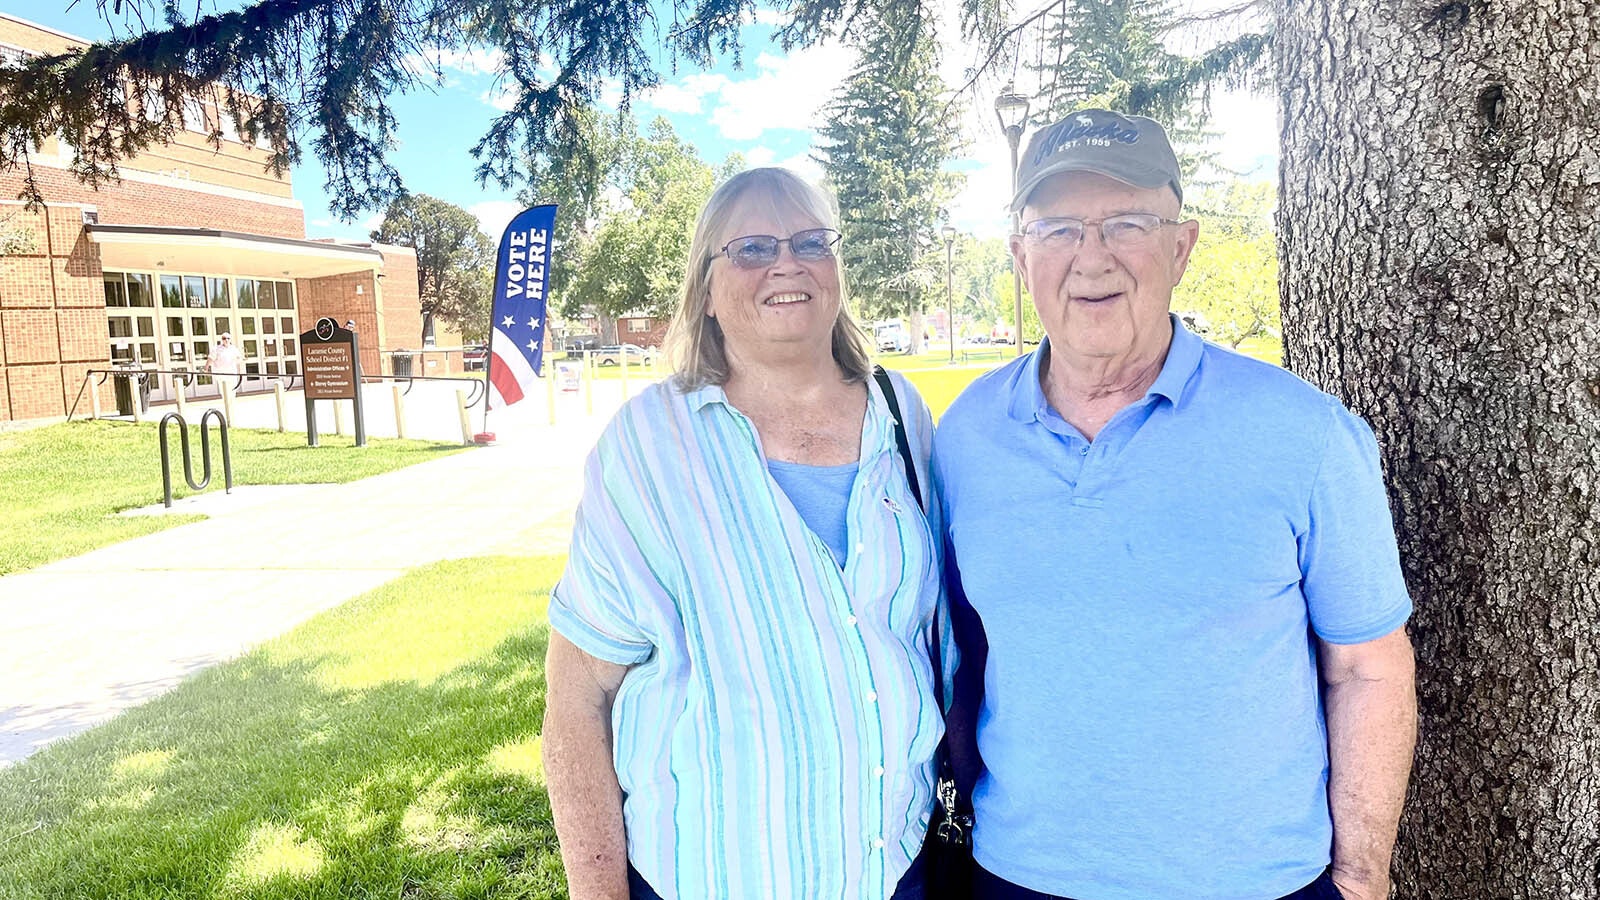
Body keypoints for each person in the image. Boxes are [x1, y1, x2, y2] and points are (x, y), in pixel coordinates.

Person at [933, 109, 1417, 900]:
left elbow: (1368, 668)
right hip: (1019, 876)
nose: (1091, 256)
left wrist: (1361, 880)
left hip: (1259, 884)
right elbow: (965, 650)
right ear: (1021, 255)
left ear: (1181, 247)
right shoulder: (966, 438)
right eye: (1057, 229)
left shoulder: (1307, 435)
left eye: (1126, 222)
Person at [543, 167, 945, 900]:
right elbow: (577, 693)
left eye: (811, 242)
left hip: (899, 873)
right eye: (753, 247)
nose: (787, 263)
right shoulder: (648, 445)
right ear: (705, 287)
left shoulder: (903, 414)